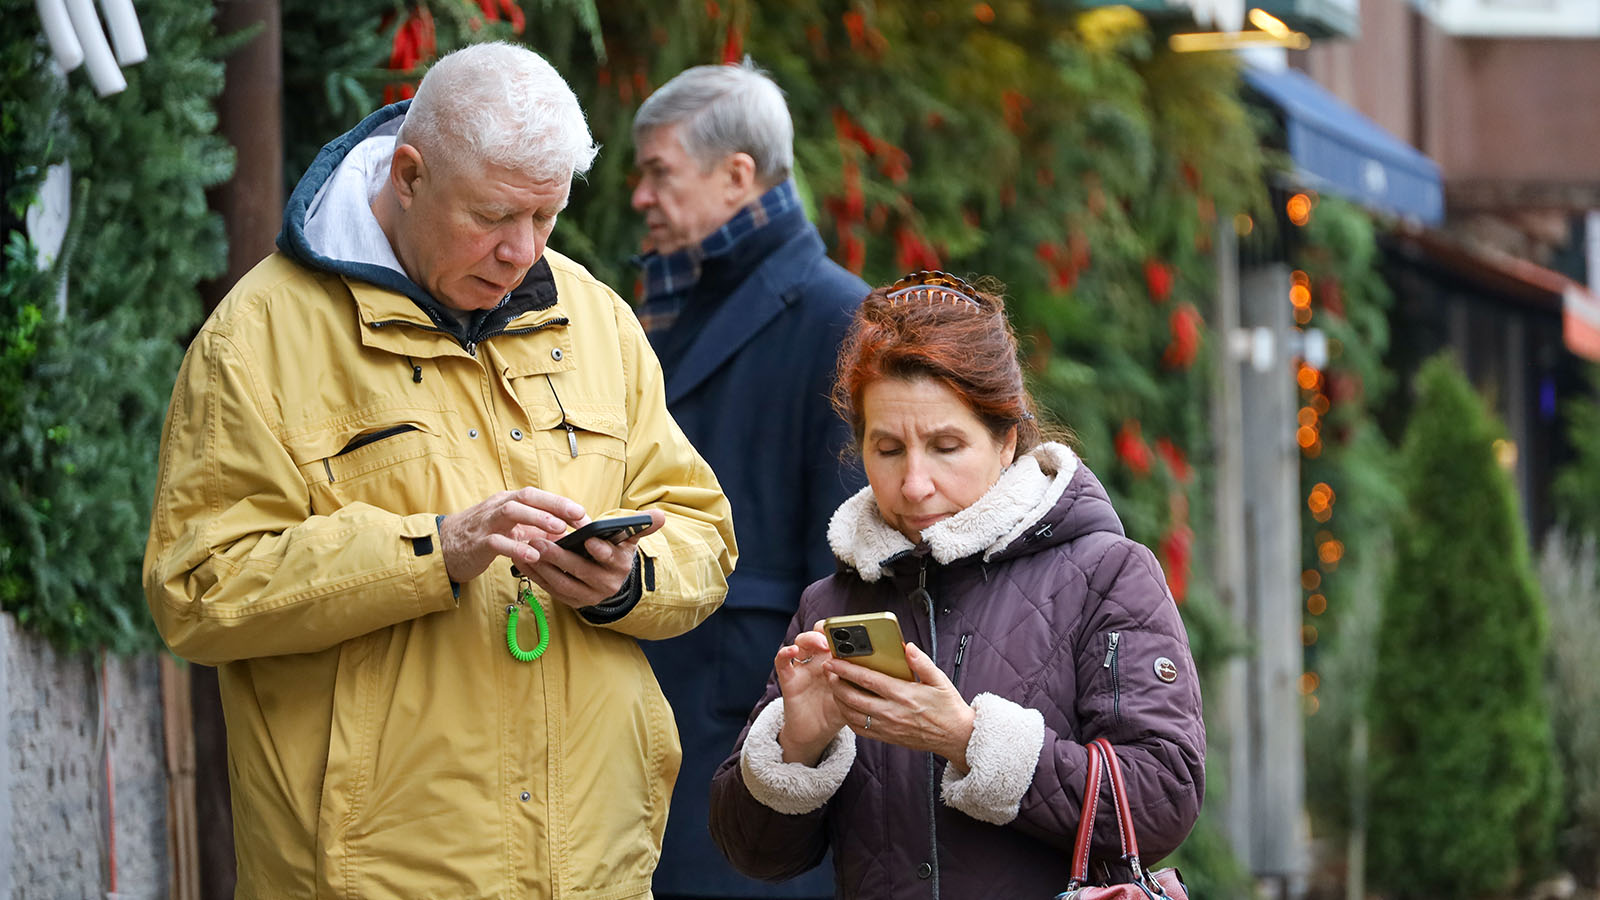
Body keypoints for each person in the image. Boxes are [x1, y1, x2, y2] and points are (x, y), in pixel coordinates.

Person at [142, 43, 736, 900]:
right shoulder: (257, 336)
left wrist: (623, 579)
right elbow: (199, 590)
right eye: (494, 217)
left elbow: (704, 536)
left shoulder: (597, 319)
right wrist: (432, 552)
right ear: (410, 176)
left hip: (597, 871)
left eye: (547, 218)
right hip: (374, 881)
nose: (522, 252)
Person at [708, 271, 1205, 896]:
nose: (914, 484)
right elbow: (752, 852)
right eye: (888, 450)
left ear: (1005, 440)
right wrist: (797, 743)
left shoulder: (1106, 574)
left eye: (946, 446)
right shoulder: (831, 603)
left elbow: (1164, 800)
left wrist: (967, 740)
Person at [628, 61, 868, 899]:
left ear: (737, 176)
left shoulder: (839, 313)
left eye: (659, 171)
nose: (638, 197)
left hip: (755, 720)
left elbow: (851, 559)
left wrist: (804, 727)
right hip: (657, 704)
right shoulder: (669, 300)